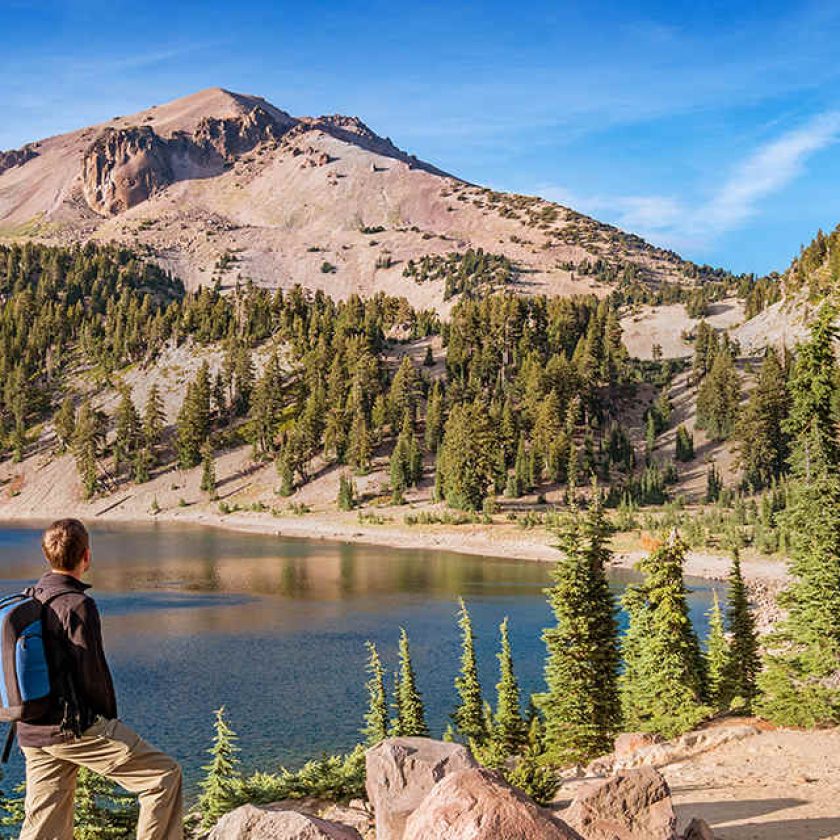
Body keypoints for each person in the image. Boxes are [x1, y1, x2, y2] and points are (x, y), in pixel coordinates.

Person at [18, 518, 183, 840]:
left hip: (30, 728)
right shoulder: (77, 604)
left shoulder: (30, 597)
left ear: (46, 555)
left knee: (44, 825)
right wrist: (107, 720)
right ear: (86, 556)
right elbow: (91, 673)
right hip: (70, 729)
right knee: (162, 777)